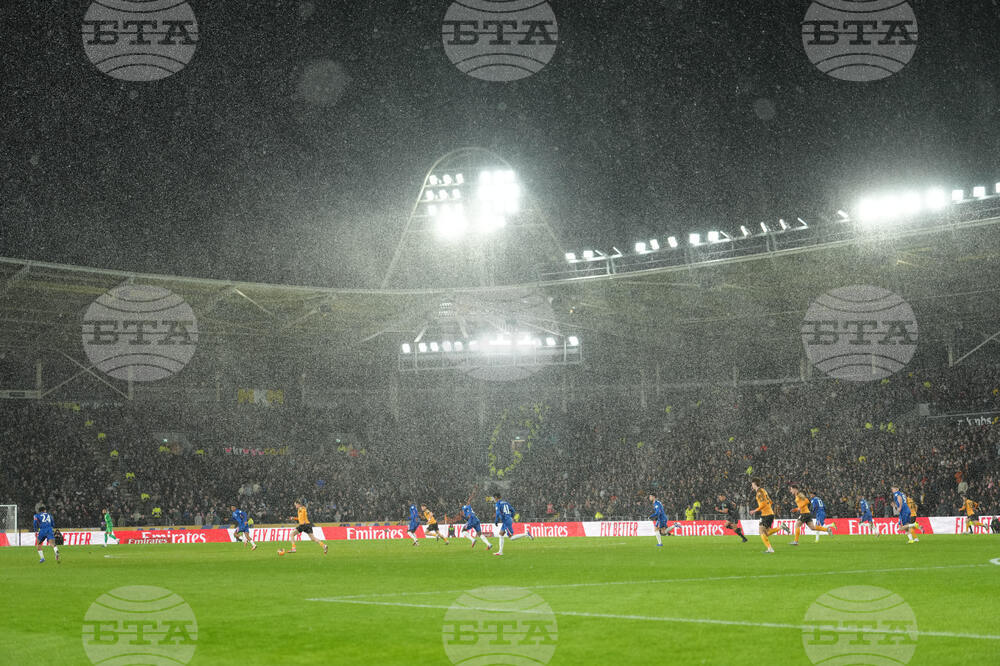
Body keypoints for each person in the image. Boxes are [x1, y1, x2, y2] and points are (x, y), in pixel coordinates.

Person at [749, 479, 787, 553]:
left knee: (761, 532)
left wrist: (755, 510)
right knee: (766, 532)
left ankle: (770, 549)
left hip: (766, 515)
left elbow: (763, 504)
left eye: (752, 484)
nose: (752, 486)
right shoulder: (763, 490)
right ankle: (780, 527)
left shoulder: (759, 493)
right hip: (769, 513)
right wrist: (767, 508)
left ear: (754, 484)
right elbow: (770, 501)